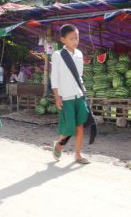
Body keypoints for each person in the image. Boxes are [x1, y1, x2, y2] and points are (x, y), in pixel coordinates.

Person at [51, 24, 90, 164]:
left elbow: (79, 76)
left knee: (79, 126)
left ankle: (78, 155)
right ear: (63, 40)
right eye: (72, 39)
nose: (75, 41)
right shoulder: (58, 55)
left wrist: (84, 92)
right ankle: (59, 145)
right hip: (65, 97)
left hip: (79, 95)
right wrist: (57, 97)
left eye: (77, 38)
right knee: (69, 128)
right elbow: (54, 77)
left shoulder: (79, 54)